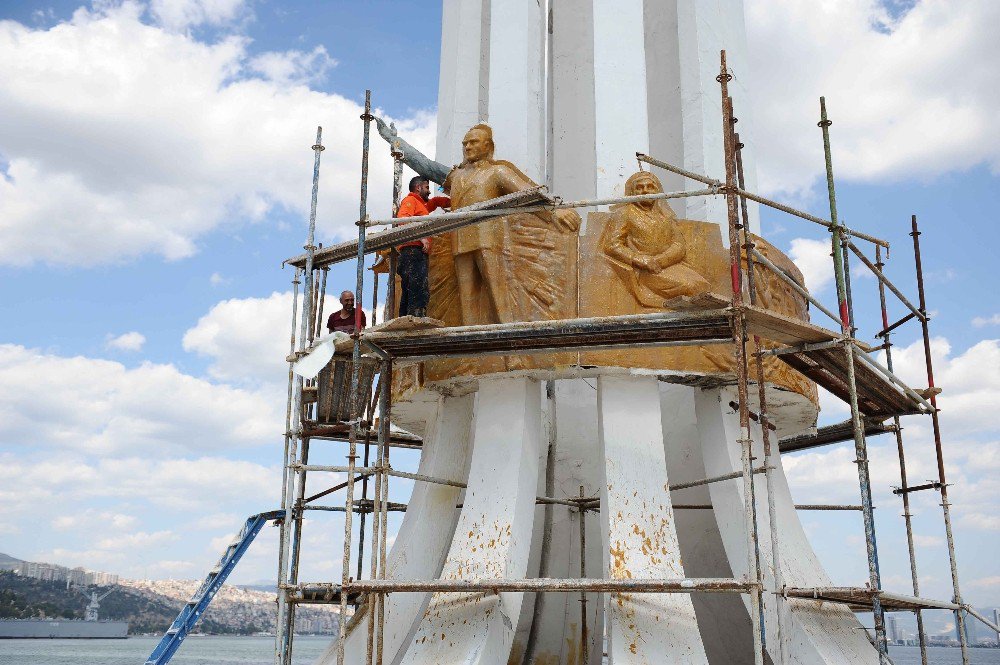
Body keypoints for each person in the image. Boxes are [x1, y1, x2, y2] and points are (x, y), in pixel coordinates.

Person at [444, 124, 580, 323]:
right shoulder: (456, 176)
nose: (467, 147)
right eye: (465, 143)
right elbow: (425, 166)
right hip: (460, 240)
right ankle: (470, 350)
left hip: (488, 239)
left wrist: (554, 211)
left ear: (488, 146)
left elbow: (527, 194)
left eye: (473, 142)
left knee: (499, 295)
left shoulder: (497, 172)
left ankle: (510, 347)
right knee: (467, 299)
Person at [600, 171, 709, 307]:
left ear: (657, 190)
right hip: (645, 271)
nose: (645, 191)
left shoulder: (665, 215)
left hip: (668, 266)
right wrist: (640, 260)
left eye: (650, 187)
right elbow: (612, 245)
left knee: (703, 286)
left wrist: (661, 260)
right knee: (690, 286)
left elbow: (678, 245)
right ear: (632, 192)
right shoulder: (624, 213)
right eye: (639, 187)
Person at [395, 176, 450, 317]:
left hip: (412, 253)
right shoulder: (410, 200)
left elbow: (436, 201)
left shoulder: (421, 205)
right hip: (412, 251)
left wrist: (454, 197)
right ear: (418, 188)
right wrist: (421, 238)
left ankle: (407, 319)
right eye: (427, 188)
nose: (429, 192)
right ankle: (416, 319)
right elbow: (403, 220)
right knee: (418, 288)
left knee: (410, 290)